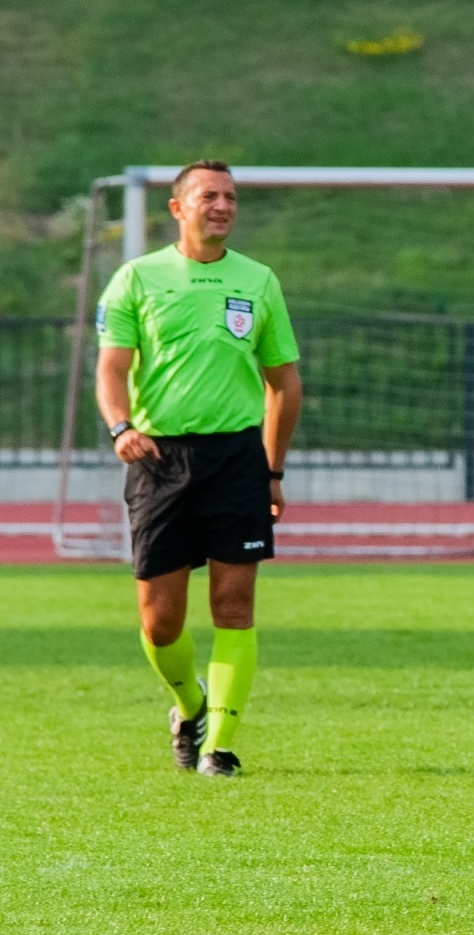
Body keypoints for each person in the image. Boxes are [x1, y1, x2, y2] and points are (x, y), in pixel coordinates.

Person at [95, 159, 303, 777]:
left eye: (231, 197)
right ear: (178, 208)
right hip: (158, 458)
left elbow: (284, 384)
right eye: (209, 196)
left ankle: (221, 747)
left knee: (234, 606)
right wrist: (121, 427)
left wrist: (272, 471)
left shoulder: (258, 280)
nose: (223, 205)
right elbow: (110, 367)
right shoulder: (138, 278)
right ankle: (190, 706)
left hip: (237, 458)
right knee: (160, 623)